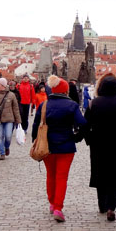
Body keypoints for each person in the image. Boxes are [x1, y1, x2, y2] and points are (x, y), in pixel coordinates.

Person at [31, 76, 87, 222]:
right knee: (62, 177)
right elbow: (82, 123)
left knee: (51, 174)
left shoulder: (44, 105)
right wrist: (78, 137)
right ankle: (58, 207)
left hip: (47, 146)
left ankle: (51, 202)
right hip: (66, 145)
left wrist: (35, 142)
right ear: (65, 90)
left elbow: (36, 125)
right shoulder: (72, 105)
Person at [83, 74, 116, 222]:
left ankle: (102, 205)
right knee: (114, 175)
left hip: (98, 144)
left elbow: (86, 125)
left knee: (99, 173)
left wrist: (88, 140)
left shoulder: (93, 104)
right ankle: (111, 207)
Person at [0, 78, 21, 161]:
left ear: (2, 86)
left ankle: (6, 147)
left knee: (8, 136)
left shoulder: (11, 95)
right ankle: (2, 153)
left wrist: (18, 120)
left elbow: (15, 108)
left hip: (9, 119)